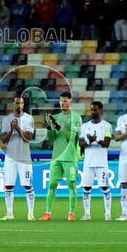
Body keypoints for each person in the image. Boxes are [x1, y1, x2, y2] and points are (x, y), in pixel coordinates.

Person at [43, 91, 83, 220]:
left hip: (70, 157)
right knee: (52, 184)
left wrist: (57, 125)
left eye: (65, 100)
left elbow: (70, 138)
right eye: (61, 100)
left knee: (71, 185)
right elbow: (51, 138)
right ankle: (48, 213)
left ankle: (71, 213)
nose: (63, 103)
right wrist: (49, 127)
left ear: (71, 102)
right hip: (56, 157)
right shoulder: (56, 117)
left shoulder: (76, 118)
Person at [0, 94, 36, 221]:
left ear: (23, 105)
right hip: (10, 157)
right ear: (13, 104)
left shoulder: (29, 118)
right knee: (8, 186)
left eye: (21, 103)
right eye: (17, 103)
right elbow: (3, 140)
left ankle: (31, 213)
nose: (19, 105)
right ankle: (9, 213)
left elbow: (29, 138)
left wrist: (18, 128)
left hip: (24, 158)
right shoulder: (6, 119)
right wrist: (11, 130)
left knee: (28, 186)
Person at [79, 101, 114, 220]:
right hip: (88, 162)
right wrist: (89, 141)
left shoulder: (107, 126)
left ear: (100, 110)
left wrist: (96, 139)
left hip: (101, 162)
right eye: (91, 109)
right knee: (86, 188)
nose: (92, 112)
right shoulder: (84, 126)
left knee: (104, 187)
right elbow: (81, 143)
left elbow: (107, 143)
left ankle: (108, 213)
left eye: (95, 109)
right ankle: (87, 214)